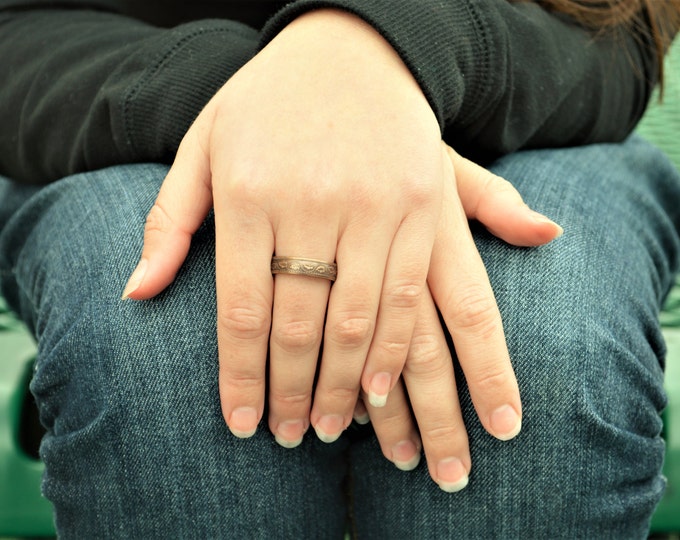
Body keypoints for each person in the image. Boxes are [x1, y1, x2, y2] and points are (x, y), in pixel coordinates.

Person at [1, 0, 679, 537]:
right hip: (117, 108)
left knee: (544, 344)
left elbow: (620, 21)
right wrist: (282, 99)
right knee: (160, 353)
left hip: (526, 109)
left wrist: (381, 48)